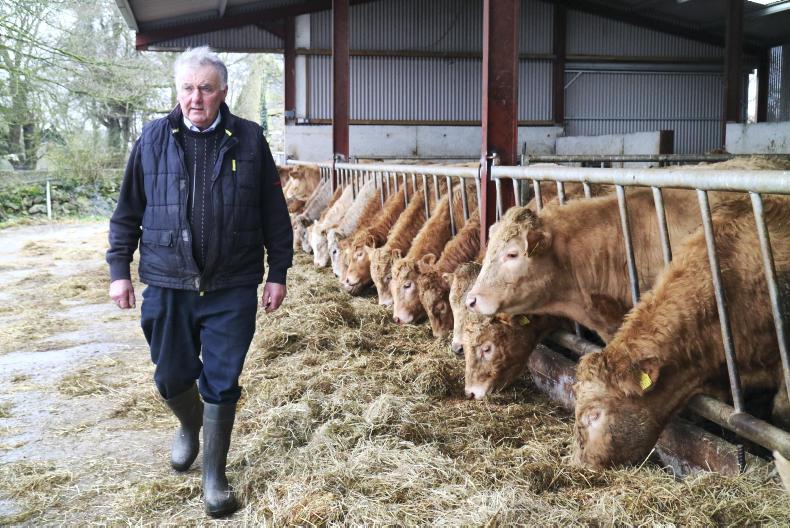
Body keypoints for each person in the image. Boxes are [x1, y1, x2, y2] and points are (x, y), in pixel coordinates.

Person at [106, 46, 293, 518]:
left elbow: (274, 213)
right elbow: (127, 211)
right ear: (177, 91)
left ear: (222, 92)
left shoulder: (249, 139)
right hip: (168, 281)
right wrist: (118, 271)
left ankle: (214, 476)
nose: (196, 98)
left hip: (232, 282)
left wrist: (278, 272)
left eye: (206, 89)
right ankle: (189, 424)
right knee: (171, 375)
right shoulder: (152, 138)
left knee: (223, 380)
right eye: (188, 88)